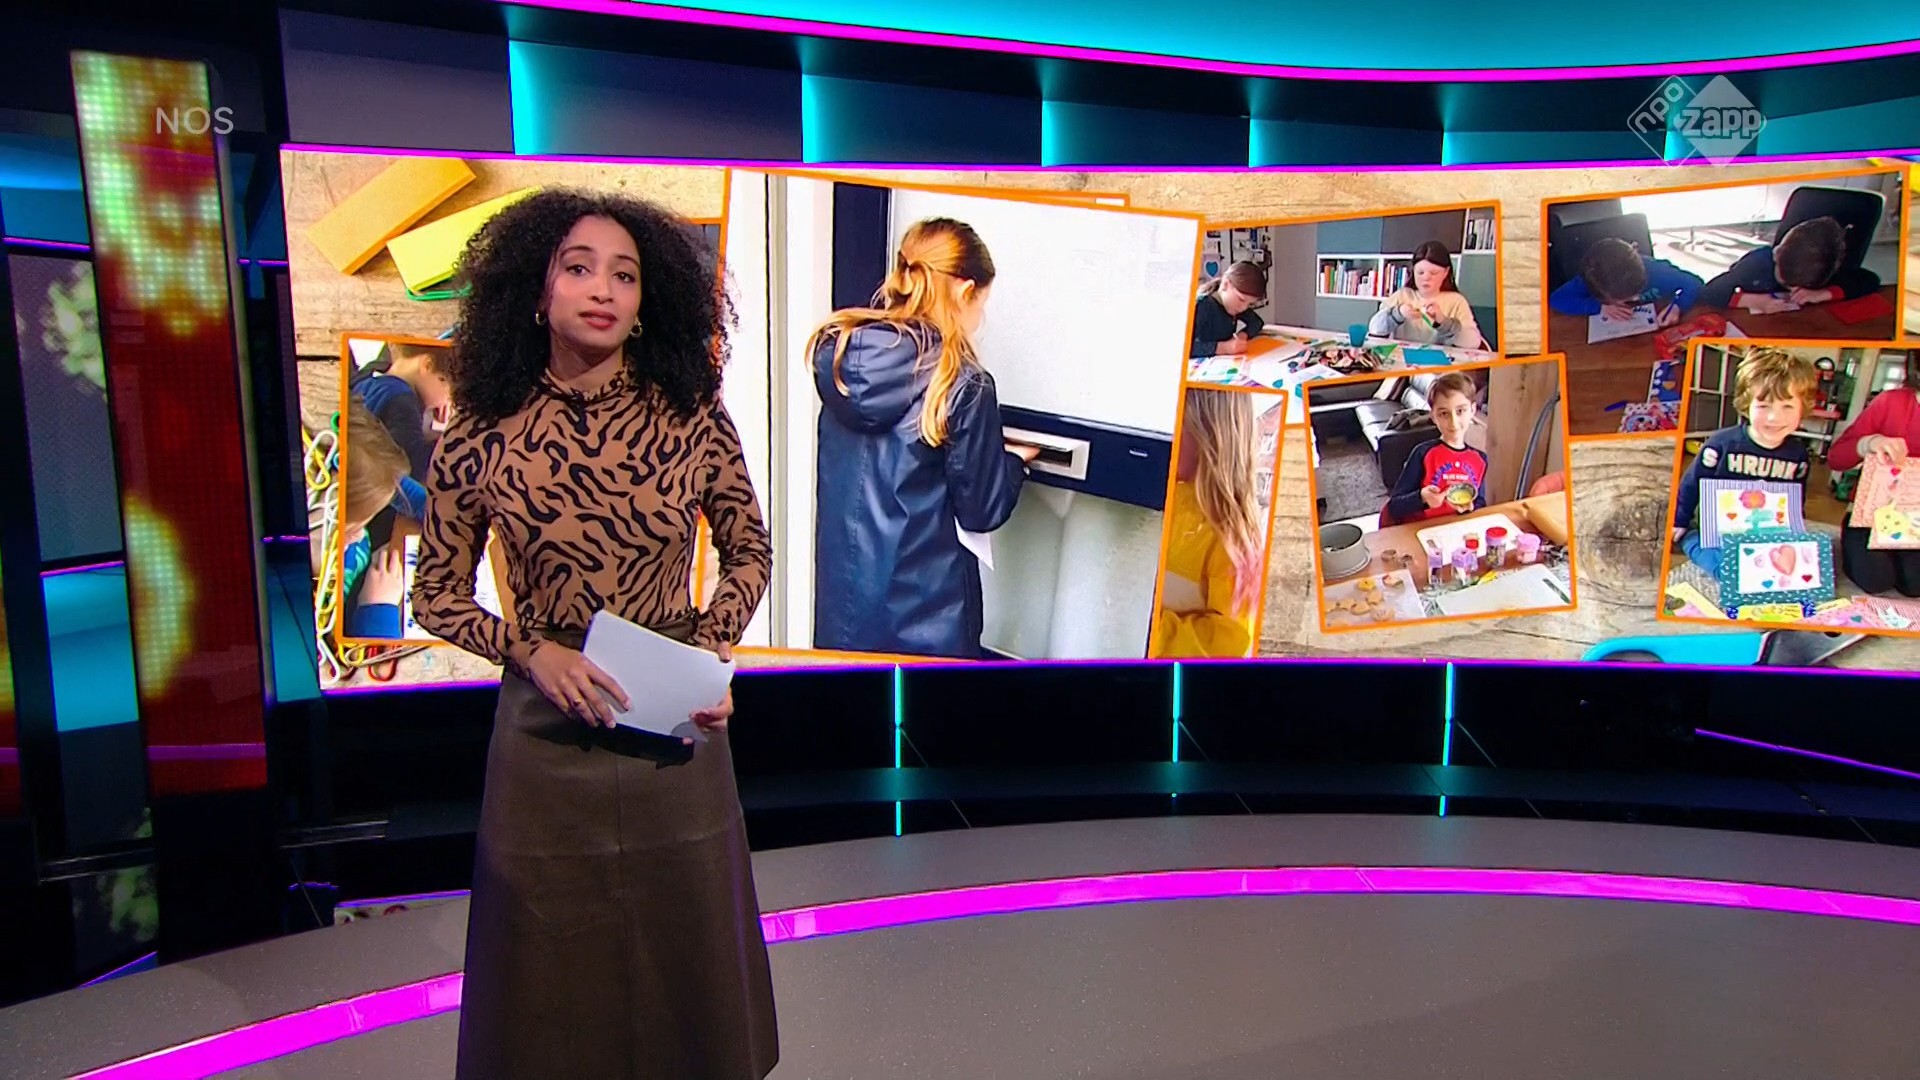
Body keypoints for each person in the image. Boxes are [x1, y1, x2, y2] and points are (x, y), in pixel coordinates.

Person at [410, 188, 778, 1080]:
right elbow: (436, 595)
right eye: (578, 268)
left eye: (625, 275)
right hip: (545, 735)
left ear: (648, 302)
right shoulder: (480, 429)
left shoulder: (690, 414)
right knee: (549, 977)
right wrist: (531, 652)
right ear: (536, 291)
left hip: (672, 731)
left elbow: (749, 550)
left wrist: (707, 653)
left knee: (687, 960)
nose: (603, 290)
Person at [809, 217, 1036, 659]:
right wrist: (1014, 463)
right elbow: (982, 511)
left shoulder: (840, 359)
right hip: (929, 622)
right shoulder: (962, 383)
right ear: (965, 290)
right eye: (982, 303)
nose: (980, 318)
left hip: (843, 615)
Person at [1670, 348, 1815, 572]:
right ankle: (1691, 540)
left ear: (1802, 408)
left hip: (1763, 528)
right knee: (1726, 569)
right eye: (1763, 406)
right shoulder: (1721, 444)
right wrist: (1679, 520)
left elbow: (1796, 497)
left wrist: (1795, 533)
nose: (1774, 417)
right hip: (1717, 529)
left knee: (1786, 569)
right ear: (1747, 405)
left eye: (1787, 406)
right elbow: (1691, 484)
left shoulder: (1798, 455)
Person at [1152, 388, 1265, 658]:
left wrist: (1149, 634)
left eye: (1174, 423)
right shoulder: (1161, 494)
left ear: (1209, 434)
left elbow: (1229, 640)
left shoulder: (1230, 534)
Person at [325, 397, 427, 640]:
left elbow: (393, 485)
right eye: (351, 531)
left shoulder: (363, 473)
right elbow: (331, 654)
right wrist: (377, 608)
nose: (359, 534)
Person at [1828, 372, 1920, 596]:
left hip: (1915, 524)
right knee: (1876, 579)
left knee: (1915, 584)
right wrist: (1870, 443)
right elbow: (1836, 458)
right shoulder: (1891, 402)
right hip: (1869, 518)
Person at [1698, 215, 1882, 312]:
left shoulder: (1825, 267)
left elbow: (1871, 280)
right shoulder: (1758, 262)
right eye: (1786, 283)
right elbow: (1710, 292)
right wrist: (1753, 301)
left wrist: (1823, 294)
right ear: (1776, 254)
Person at [1382, 372, 1488, 526]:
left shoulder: (1480, 459)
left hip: (1459, 530)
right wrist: (1422, 498)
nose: (1453, 422)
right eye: (1444, 413)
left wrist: (1471, 507)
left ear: (1472, 410)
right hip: (1422, 531)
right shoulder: (1422, 453)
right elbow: (1395, 506)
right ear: (1433, 416)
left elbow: (1480, 502)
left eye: (1460, 411)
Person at [350, 340, 453, 483]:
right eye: (450, 391)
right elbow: (416, 469)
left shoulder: (371, 383)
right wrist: (455, 435)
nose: (448, 401)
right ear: (427, 365)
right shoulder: (401, 399)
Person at [1549, 237, 1704, 325]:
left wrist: (1678, 306)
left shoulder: (1658, 271)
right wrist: (1599, 307)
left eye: (1636, 293)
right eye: (1625, 299)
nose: (1635, 299)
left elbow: (1695, 282)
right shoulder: (1593, 278)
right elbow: (1556, 299)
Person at [1367, 241, 1488, 350]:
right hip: (1402, 358)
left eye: (1433, 273)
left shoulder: (1456, 301)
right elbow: (1375, 329)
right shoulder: (1402, 295)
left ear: (1445, 272)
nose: (1426, 278)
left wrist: (1444, 322)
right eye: (1420, 272)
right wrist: (1398, 313)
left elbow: (1472, 343)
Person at [1191, 260, 1267, 359]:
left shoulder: (1234, 306)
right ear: (1225, 284)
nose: (1244, 307)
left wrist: (1242, 335)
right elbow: (1182, 347)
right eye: (1241, 299)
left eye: (1250, 304)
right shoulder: (1202, 306)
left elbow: (1257, 322)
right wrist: (1222, 348)